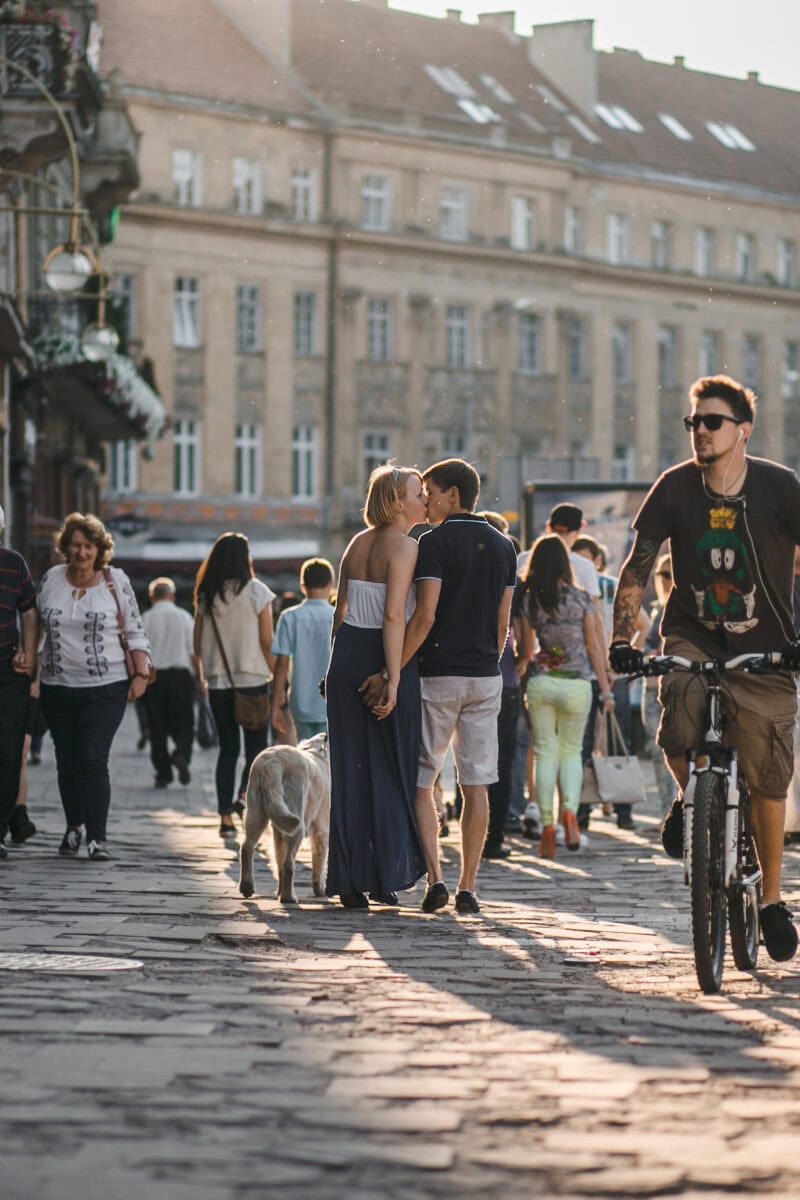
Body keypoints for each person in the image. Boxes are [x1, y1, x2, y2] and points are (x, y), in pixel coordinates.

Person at [610, 374, 800, 962]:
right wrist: (623, 638)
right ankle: (690, 800)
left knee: (768, 778)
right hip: (692, 635)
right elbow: (639, 567)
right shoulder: (674, 488)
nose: (700, 433)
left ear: (742, 430)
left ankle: (770, 898)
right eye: (693, 423)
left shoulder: (780, 487)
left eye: (711, 422)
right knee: (678, 723)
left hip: (766, 646)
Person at [397, 458, 517, 916]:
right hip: (486, 676)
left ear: (451, 493)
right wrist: (489, 657)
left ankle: (436, 878)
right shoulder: (503, 545)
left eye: (430, 491)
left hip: (439, 674)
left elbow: (425, 616)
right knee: (477, 782)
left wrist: (396, 667)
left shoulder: (434, 543)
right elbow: (504, 620)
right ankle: (469, 886)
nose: (426, 500)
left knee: (424, 780)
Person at [325, 465, 427, 909]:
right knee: (389, 767)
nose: (424, 500)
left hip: (346, 652)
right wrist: (394, 675)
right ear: (397, 501)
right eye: (417, 493)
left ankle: (349, 879)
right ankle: (384, 875)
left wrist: (333, 667)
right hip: (378, 651)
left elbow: (339, 611)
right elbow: (392, 616)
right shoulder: (404, 546)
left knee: (349, 770)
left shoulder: (355, 542)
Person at [37, 512, 151, 861]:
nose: (81, 553)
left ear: (99, 549)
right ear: (65, 548)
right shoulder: (52, 579)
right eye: (75, 545)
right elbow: (34, 624)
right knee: (66, 759)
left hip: (106, 685)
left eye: (88, 546)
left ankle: (97, 838)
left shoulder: (115, 580)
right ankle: (74, 827)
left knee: (92, 757)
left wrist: (142, 674)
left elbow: (133, 627)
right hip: (57, 684)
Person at [516, 534, 615, 857]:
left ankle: (547, 825)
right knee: (571, 752)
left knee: (545, 752)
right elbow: (593, 646)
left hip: (542, 683)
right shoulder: (582, 599)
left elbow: (528, 649)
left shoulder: (530, 600)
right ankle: (569, 813)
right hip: (577, 684)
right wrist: (605, 687)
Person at [194, 533, 275, 838]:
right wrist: (278, 675)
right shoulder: (258, 592)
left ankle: (225, 818)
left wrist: (206, 675)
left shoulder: (206, 596)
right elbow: (268, 640)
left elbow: (196, 644)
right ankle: (243, 796)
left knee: (227, 750)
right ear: (246, 558)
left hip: (218, 683)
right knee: (257, 749)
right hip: (253, 681)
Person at [574, 534, 650, 831]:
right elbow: (643, 627)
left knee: (601, 744)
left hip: (595, 673)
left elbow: (642, 624)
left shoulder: (597, 586)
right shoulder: (598, 586)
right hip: (600, 674)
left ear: (597, 560)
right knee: (601, 744)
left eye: (585, 559)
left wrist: (620, 661)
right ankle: (611, 810)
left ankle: (599, 809)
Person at [477, 511, 521, 860]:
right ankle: (494, 839)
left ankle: (472, 835)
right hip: (504, 680)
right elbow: (518, 637)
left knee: (471, 762)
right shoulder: (510, 577)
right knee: (501, 762)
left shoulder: (467, 573)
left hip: (472, 674)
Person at [0, 504, 37, 860]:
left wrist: (28, 651)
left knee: (9, 751)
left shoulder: (13, 563)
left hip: (7, 669)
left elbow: (28, 609)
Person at [272, 558, 335, 745]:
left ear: (302, 586)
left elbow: (281, 664)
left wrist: (275, 705)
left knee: (306, 754)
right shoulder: (338, 615)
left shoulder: (289, 616)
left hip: (300, 699)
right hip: (332, 700)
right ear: (331, 584)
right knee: (329, 756)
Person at [142, 577, 197, 787]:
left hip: (153, 678)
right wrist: (200, 679)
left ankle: (163, 773)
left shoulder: (145, 618)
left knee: (157, 728)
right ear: (172, 595)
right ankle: (182, 753)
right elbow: (193, 652)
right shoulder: (183, 617)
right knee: (185, 723)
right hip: (180, 676)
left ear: (151, 596)